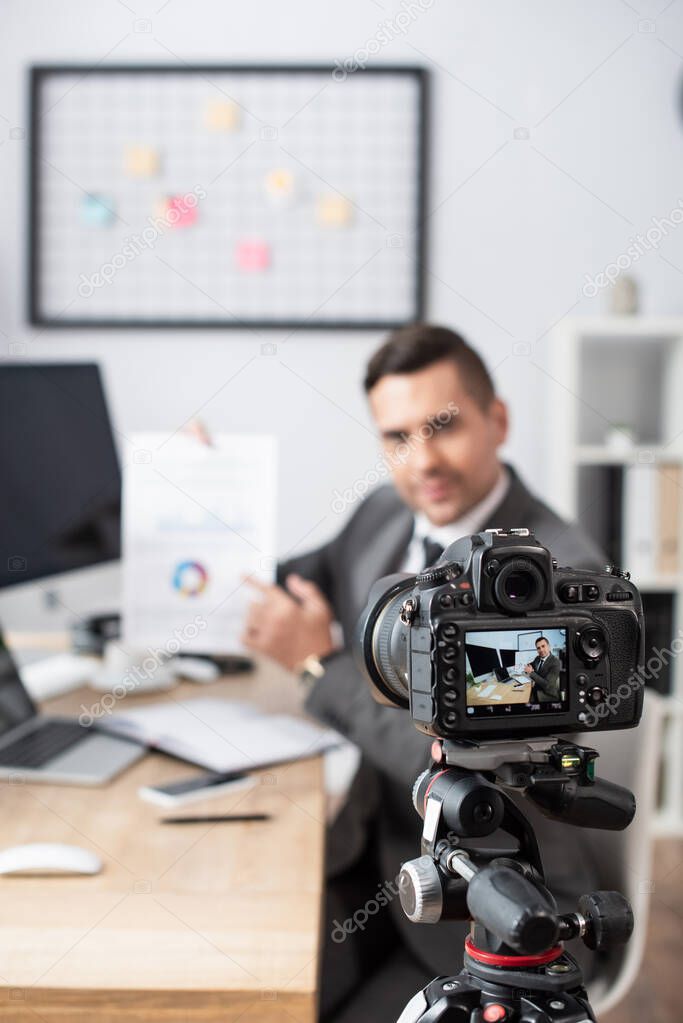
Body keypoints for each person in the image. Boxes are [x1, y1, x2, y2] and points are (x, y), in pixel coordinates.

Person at [242, 324, 605, 1022]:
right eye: (397, 437)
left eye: (442, 426)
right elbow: (282, 576)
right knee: (246, 984)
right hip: (381, 866)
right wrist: (208, 490)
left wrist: (318, 664)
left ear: (496, 421)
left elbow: (455, 752)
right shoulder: (383, 515)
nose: (422, 461)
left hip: (492, 917)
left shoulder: (562, 579)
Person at [525, 636, 562, 702]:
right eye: (538, 648)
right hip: (536, 688)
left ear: (549, 646)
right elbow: (531, 664)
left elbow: (548, 686)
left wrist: (531, 673)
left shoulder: (555, 662)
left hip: (546, 695)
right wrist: (525, 665)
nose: (541, 650)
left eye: (543, 646)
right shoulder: (538, 658)